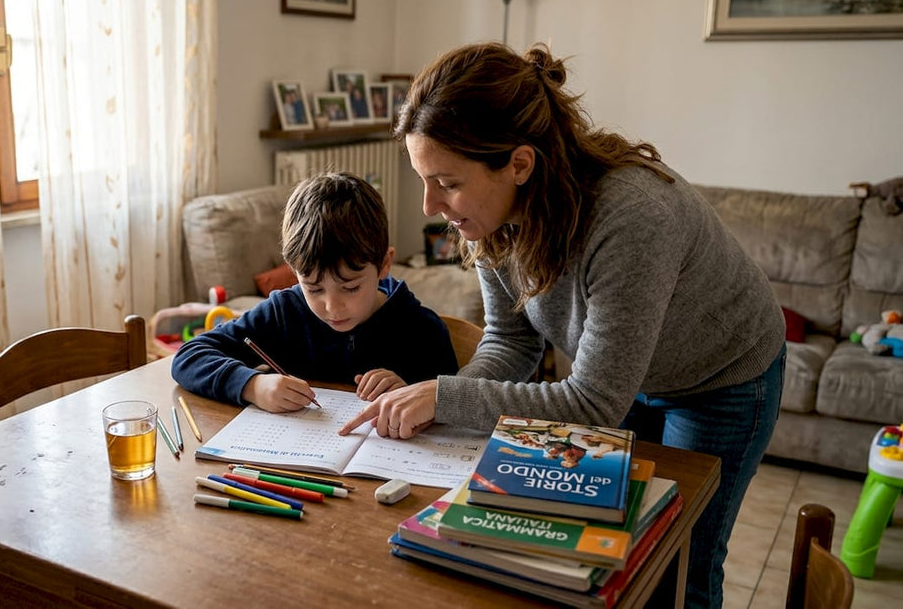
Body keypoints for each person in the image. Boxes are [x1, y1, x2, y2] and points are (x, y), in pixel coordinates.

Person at [337, 42, 786, 609]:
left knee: (682, 565)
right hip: (627, 376)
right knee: (608, 557)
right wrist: (446, 405)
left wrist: (446, 396)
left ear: (520, 164)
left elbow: (594, 401)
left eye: (446, 182)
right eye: (425, 179)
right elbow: (511, 340)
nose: (429, 205)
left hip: (721, 380)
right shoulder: (491, 219)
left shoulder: (632, 217)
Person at [172, 172, 458, 413]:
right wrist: (252, 386)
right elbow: (189, 356)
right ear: (295, 272)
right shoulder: (284, 312)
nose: (332, 307)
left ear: (384, 264)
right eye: (314, 288)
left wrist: (412, 394)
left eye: (351, 287)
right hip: (290, 471)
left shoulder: (422, 330)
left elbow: (452, 407)